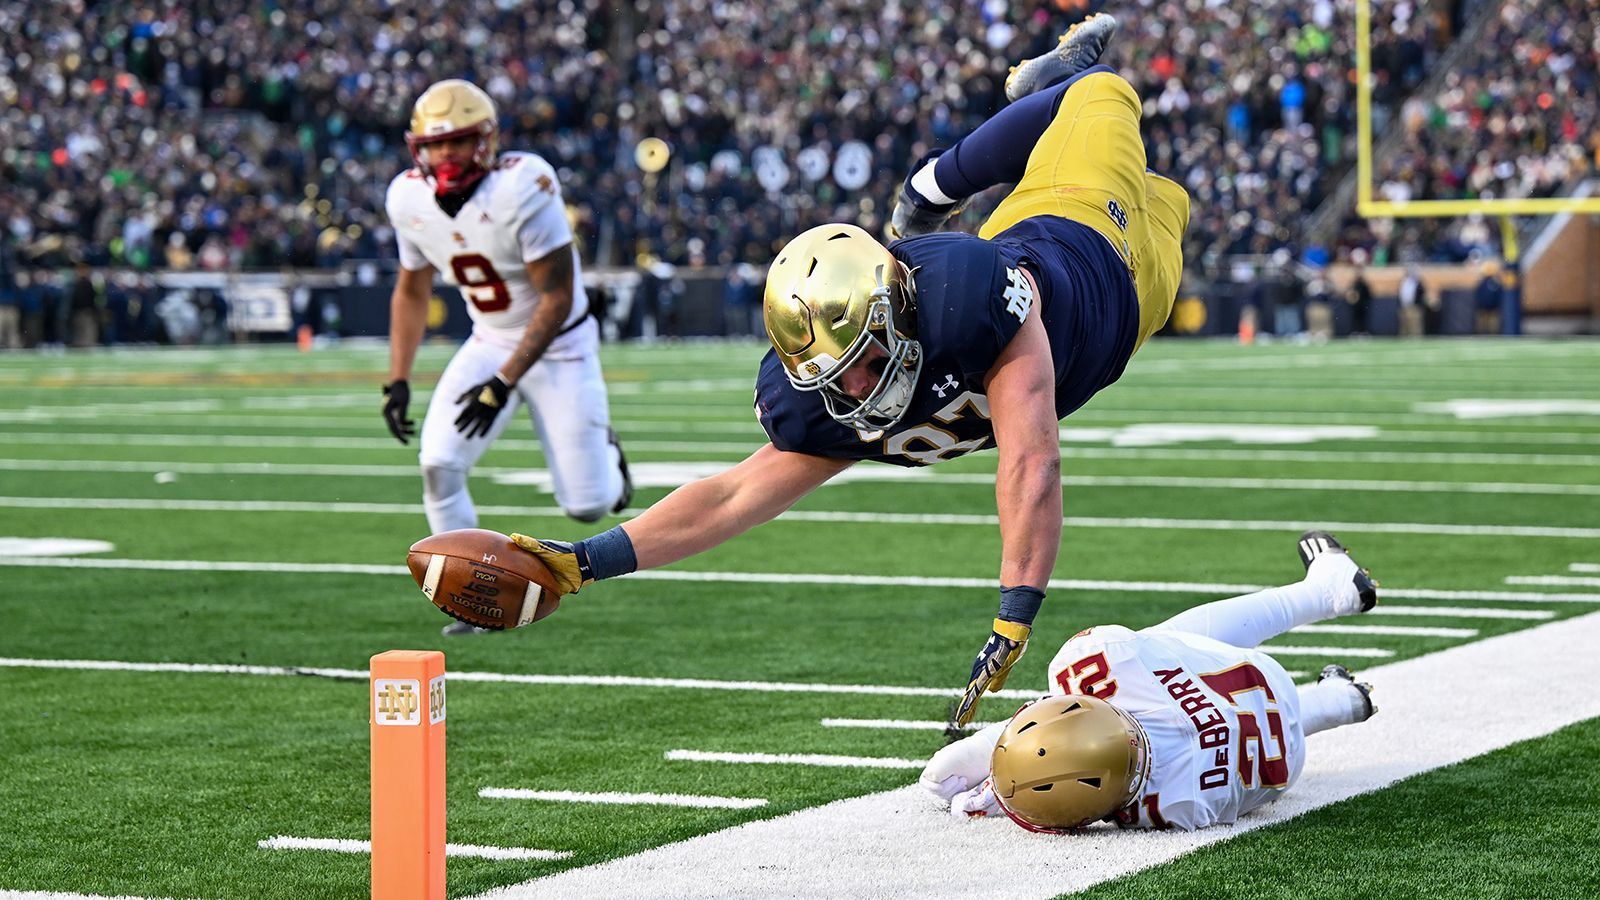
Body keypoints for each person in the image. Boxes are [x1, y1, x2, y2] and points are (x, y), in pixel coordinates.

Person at [501, 15, 1189, 725]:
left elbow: (1031, 461)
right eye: (832, 379)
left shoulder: (969, 303)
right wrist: (583, 561)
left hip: (1080, 225)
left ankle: (932, 180)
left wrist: (1015, 612)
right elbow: (731, 497)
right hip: (1137, 315)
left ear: (898, 313)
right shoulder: (828, 397)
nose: (854, 390)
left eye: (861, 364)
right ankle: (1033, 133)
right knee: (1170, 196)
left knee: (1102, 94)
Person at [380, 79, 632, 635]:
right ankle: (472, 599)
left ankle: (612, 466)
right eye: (435, 144)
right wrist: (398, 378)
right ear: (415, 147)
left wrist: (502, 383)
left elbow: (558, 298)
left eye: (458, 142)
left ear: (487, 140)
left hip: (561, 344)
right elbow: (412, 289)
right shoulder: (406, 197)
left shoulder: (523, 184)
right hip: (490, 337)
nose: (445, 155)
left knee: (589, 507)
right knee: (438, 464)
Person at [921, 531, 1378, 832]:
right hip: (1259, 677)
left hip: (1286, 759)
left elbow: (1083, 781)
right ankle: (1326, 592)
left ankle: (1344, 700)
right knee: (1160, 642)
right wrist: (987, 752)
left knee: (1237, 716)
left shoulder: (1174, 809)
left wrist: (1011, 790)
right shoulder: (1098, 661)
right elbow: (1065, 719)